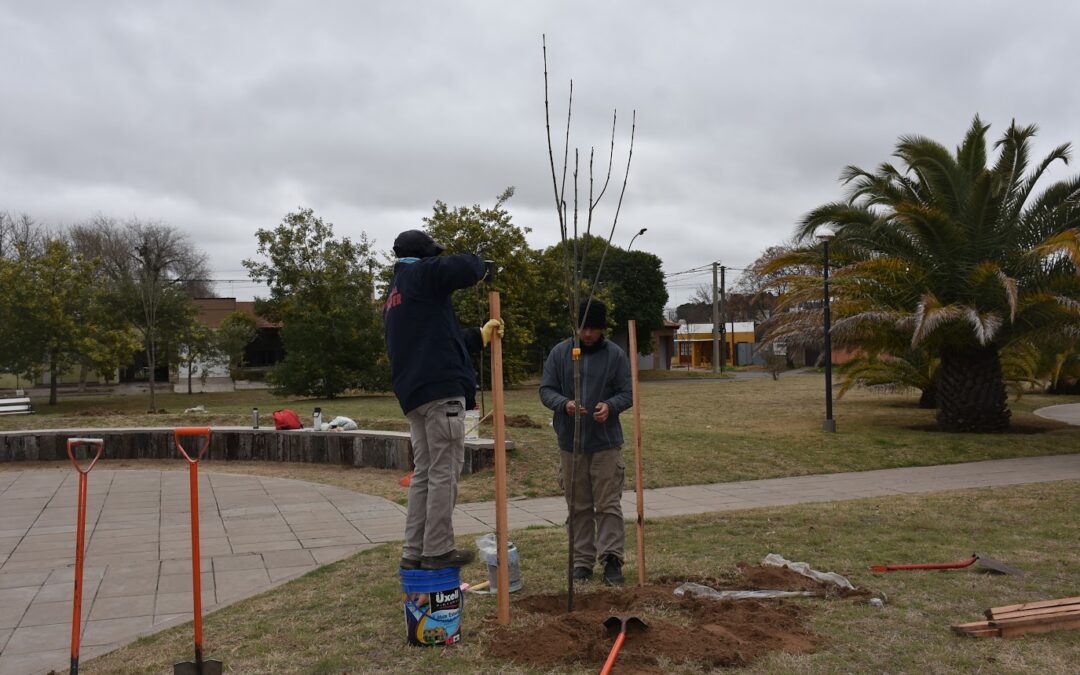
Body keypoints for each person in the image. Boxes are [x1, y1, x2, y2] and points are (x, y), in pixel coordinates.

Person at [383, 229, 502, 570]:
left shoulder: (396, 293)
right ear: (426, 257)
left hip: (416, 394)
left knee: (425, 473)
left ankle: (414, 550)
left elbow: (436, 341)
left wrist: (480, 335)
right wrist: (482, 266)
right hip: (441, 392)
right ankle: (437, 550)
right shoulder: (421, 272)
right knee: (444, 472)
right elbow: (462, 267)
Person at [539, 299, 633, 585]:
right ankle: (581, 562)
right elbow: (546, 389)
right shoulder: (560, 353)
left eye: (593, 328)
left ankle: (612, 560)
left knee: (607, 505)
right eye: (583, 327)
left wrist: (610, 406)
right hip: (571, 444)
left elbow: (627, 393)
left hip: (605, 445)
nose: (588, 333)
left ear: (602, 328)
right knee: (578, 505)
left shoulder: (615, 355)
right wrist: (563, 404)